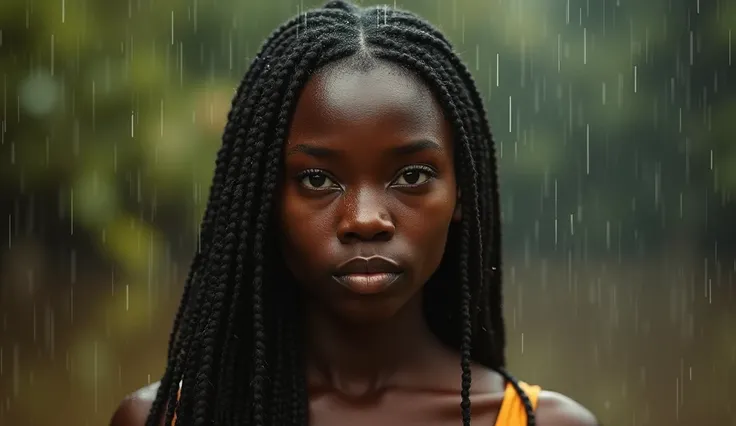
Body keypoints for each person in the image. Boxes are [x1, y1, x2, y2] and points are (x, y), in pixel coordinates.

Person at [110, 1, 599, 425]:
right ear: (265, 201)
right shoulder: (170, 418)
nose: (365, 220)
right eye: (318, 179)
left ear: (461, 196)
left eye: (411, 176)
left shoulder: (542, 423)